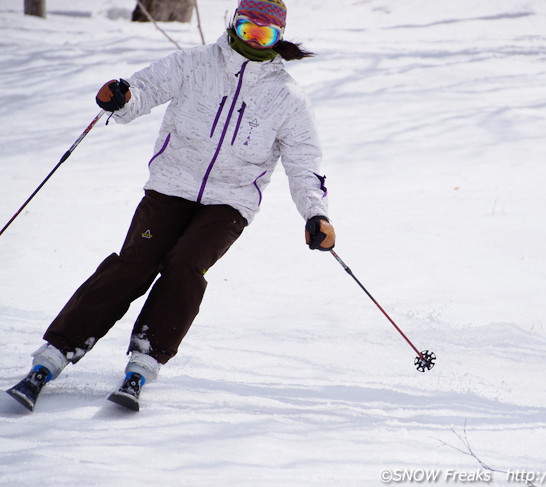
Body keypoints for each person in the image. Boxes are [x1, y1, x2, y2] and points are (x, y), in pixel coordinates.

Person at [6, 0, 335, 412]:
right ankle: (54, 355)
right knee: (133, 264)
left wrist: (315, 213)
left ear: (277, 38)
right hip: (168, 188)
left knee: (185, 265)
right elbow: (145, 89)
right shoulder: (195, 63)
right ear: (234, 24)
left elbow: (304, 163)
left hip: (228, 203)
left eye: (264, 35)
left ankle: (145, 359)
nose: (254, 40)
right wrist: (122, 97)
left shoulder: (287, 97)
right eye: (248, 29)